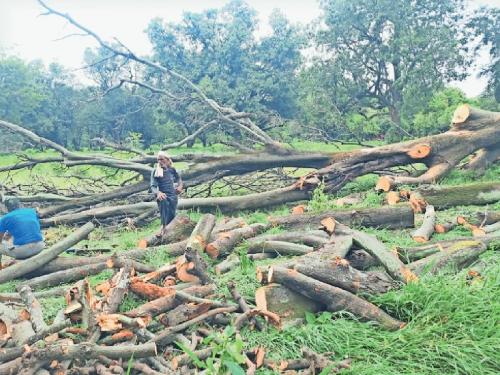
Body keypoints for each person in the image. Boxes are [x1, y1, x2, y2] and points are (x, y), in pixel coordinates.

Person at [150, 151, 183, 237]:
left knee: (172, 215)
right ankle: (163, 227)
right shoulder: (156, 171)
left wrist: (180, 186)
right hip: (162, 195)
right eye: (158, 160)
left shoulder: (172, 169)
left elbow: (179, 178)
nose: (160, 162)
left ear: (167, 160)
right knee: (163, 203)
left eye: (162, 159)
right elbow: (153, 186)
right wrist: (158, 193)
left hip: (173, 195)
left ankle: (171, 232)